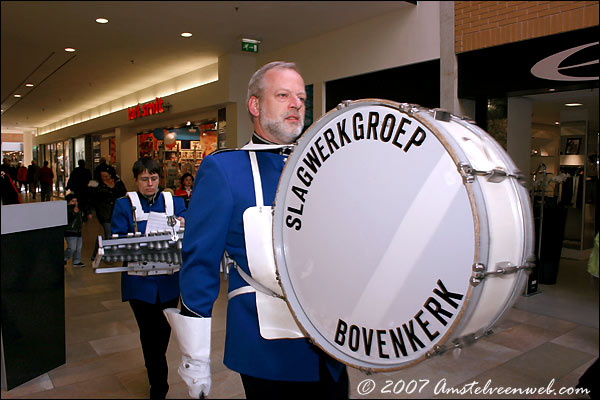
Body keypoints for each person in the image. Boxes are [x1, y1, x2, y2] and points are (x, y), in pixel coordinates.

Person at [167, 62, 348, 399]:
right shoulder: (224, 169)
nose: (296, 104)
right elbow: (200, 264)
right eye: (283, 95)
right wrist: (195, 358)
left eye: (300, 98)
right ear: (255, 105)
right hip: (268, 348)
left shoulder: (324, 165)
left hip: (333, 342)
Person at [110, 157, 187, 399]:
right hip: (139, 282)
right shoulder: (124, 205)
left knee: (163, 331)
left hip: (168, 281)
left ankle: (154, 365)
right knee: (148, 331)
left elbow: (190, 222)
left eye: (154, 178)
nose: (150, 184)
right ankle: (158, 384)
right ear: (136, 180)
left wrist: (184, 222)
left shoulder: (174, 201)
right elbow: (117, 237)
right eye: (144, 179)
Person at [89, 164, 127, 260]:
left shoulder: (118, 182)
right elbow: (93, 196)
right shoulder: (96, 183)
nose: (104, 178)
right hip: (104, 213)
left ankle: (96, 254)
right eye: (103, 176)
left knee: (107, 234)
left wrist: (113, 188)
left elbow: (123, 193)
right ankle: (107, 255)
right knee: (108, 233)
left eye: (106, 176)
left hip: (116, 211)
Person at [64, 193, 91, 267]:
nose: (75, 203)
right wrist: (74, 213)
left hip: (78, 231)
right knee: (72, 247)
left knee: (78, 247)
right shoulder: (67, 210)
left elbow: (81, 219)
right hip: (70, 231)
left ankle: (76, 261)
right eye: (73, 201)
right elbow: (68, 219)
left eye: (76, 201)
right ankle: (64, 258)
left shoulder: (79, 210)